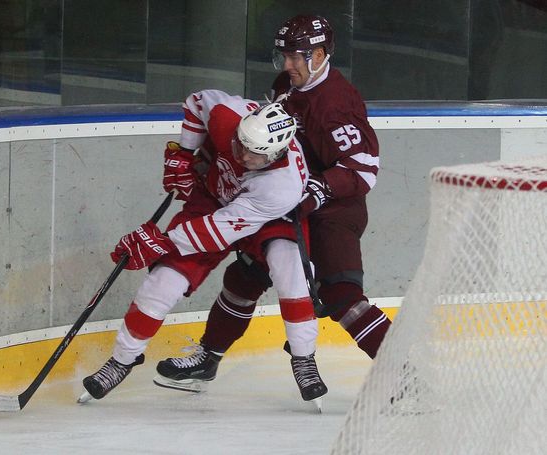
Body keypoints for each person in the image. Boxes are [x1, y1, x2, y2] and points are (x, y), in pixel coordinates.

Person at [155, 14, 392, 389]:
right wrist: (207, 156)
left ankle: (405, 376)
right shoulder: (287, 83)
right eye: (285, 55)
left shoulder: (336, 103)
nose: (288, 64)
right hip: (286, 199)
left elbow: (362, 170)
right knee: (246, 273)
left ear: (319, 55)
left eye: (297, 56)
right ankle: (208, 358)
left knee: (342, 294)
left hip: (333, 208)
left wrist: (315, 193)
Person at [81, 89, 328, 406]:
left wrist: (161, 242)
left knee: (290, 268)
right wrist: (184, 155)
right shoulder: (230, 116)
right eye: (241, 144)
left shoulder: (280, 187)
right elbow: (197, 102)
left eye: (254, 156)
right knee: (162, 283)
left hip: (269, 216)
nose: (242, 156)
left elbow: (217, 230)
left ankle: (303, 358)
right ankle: (121, 360)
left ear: (276, 155)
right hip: (213, 197)